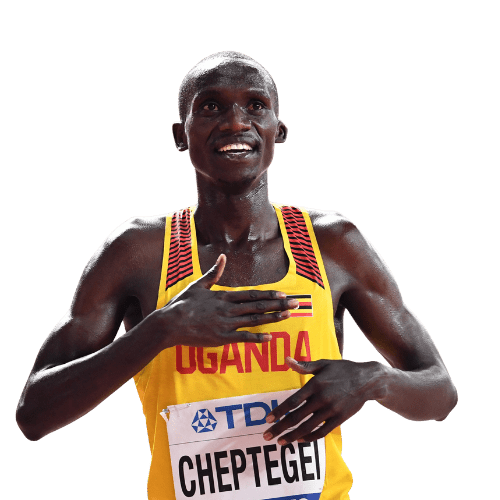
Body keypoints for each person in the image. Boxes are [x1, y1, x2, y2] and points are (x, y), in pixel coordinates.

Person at [16, 51, 457, 499]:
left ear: (278, 131)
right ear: (180, 135)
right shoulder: (139, 252)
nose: (234, 123)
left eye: (255, 105)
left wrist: (372, 381)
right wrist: (160, 330)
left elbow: (440, 391)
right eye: (211, 106)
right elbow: (34, 414)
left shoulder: (332, 243)